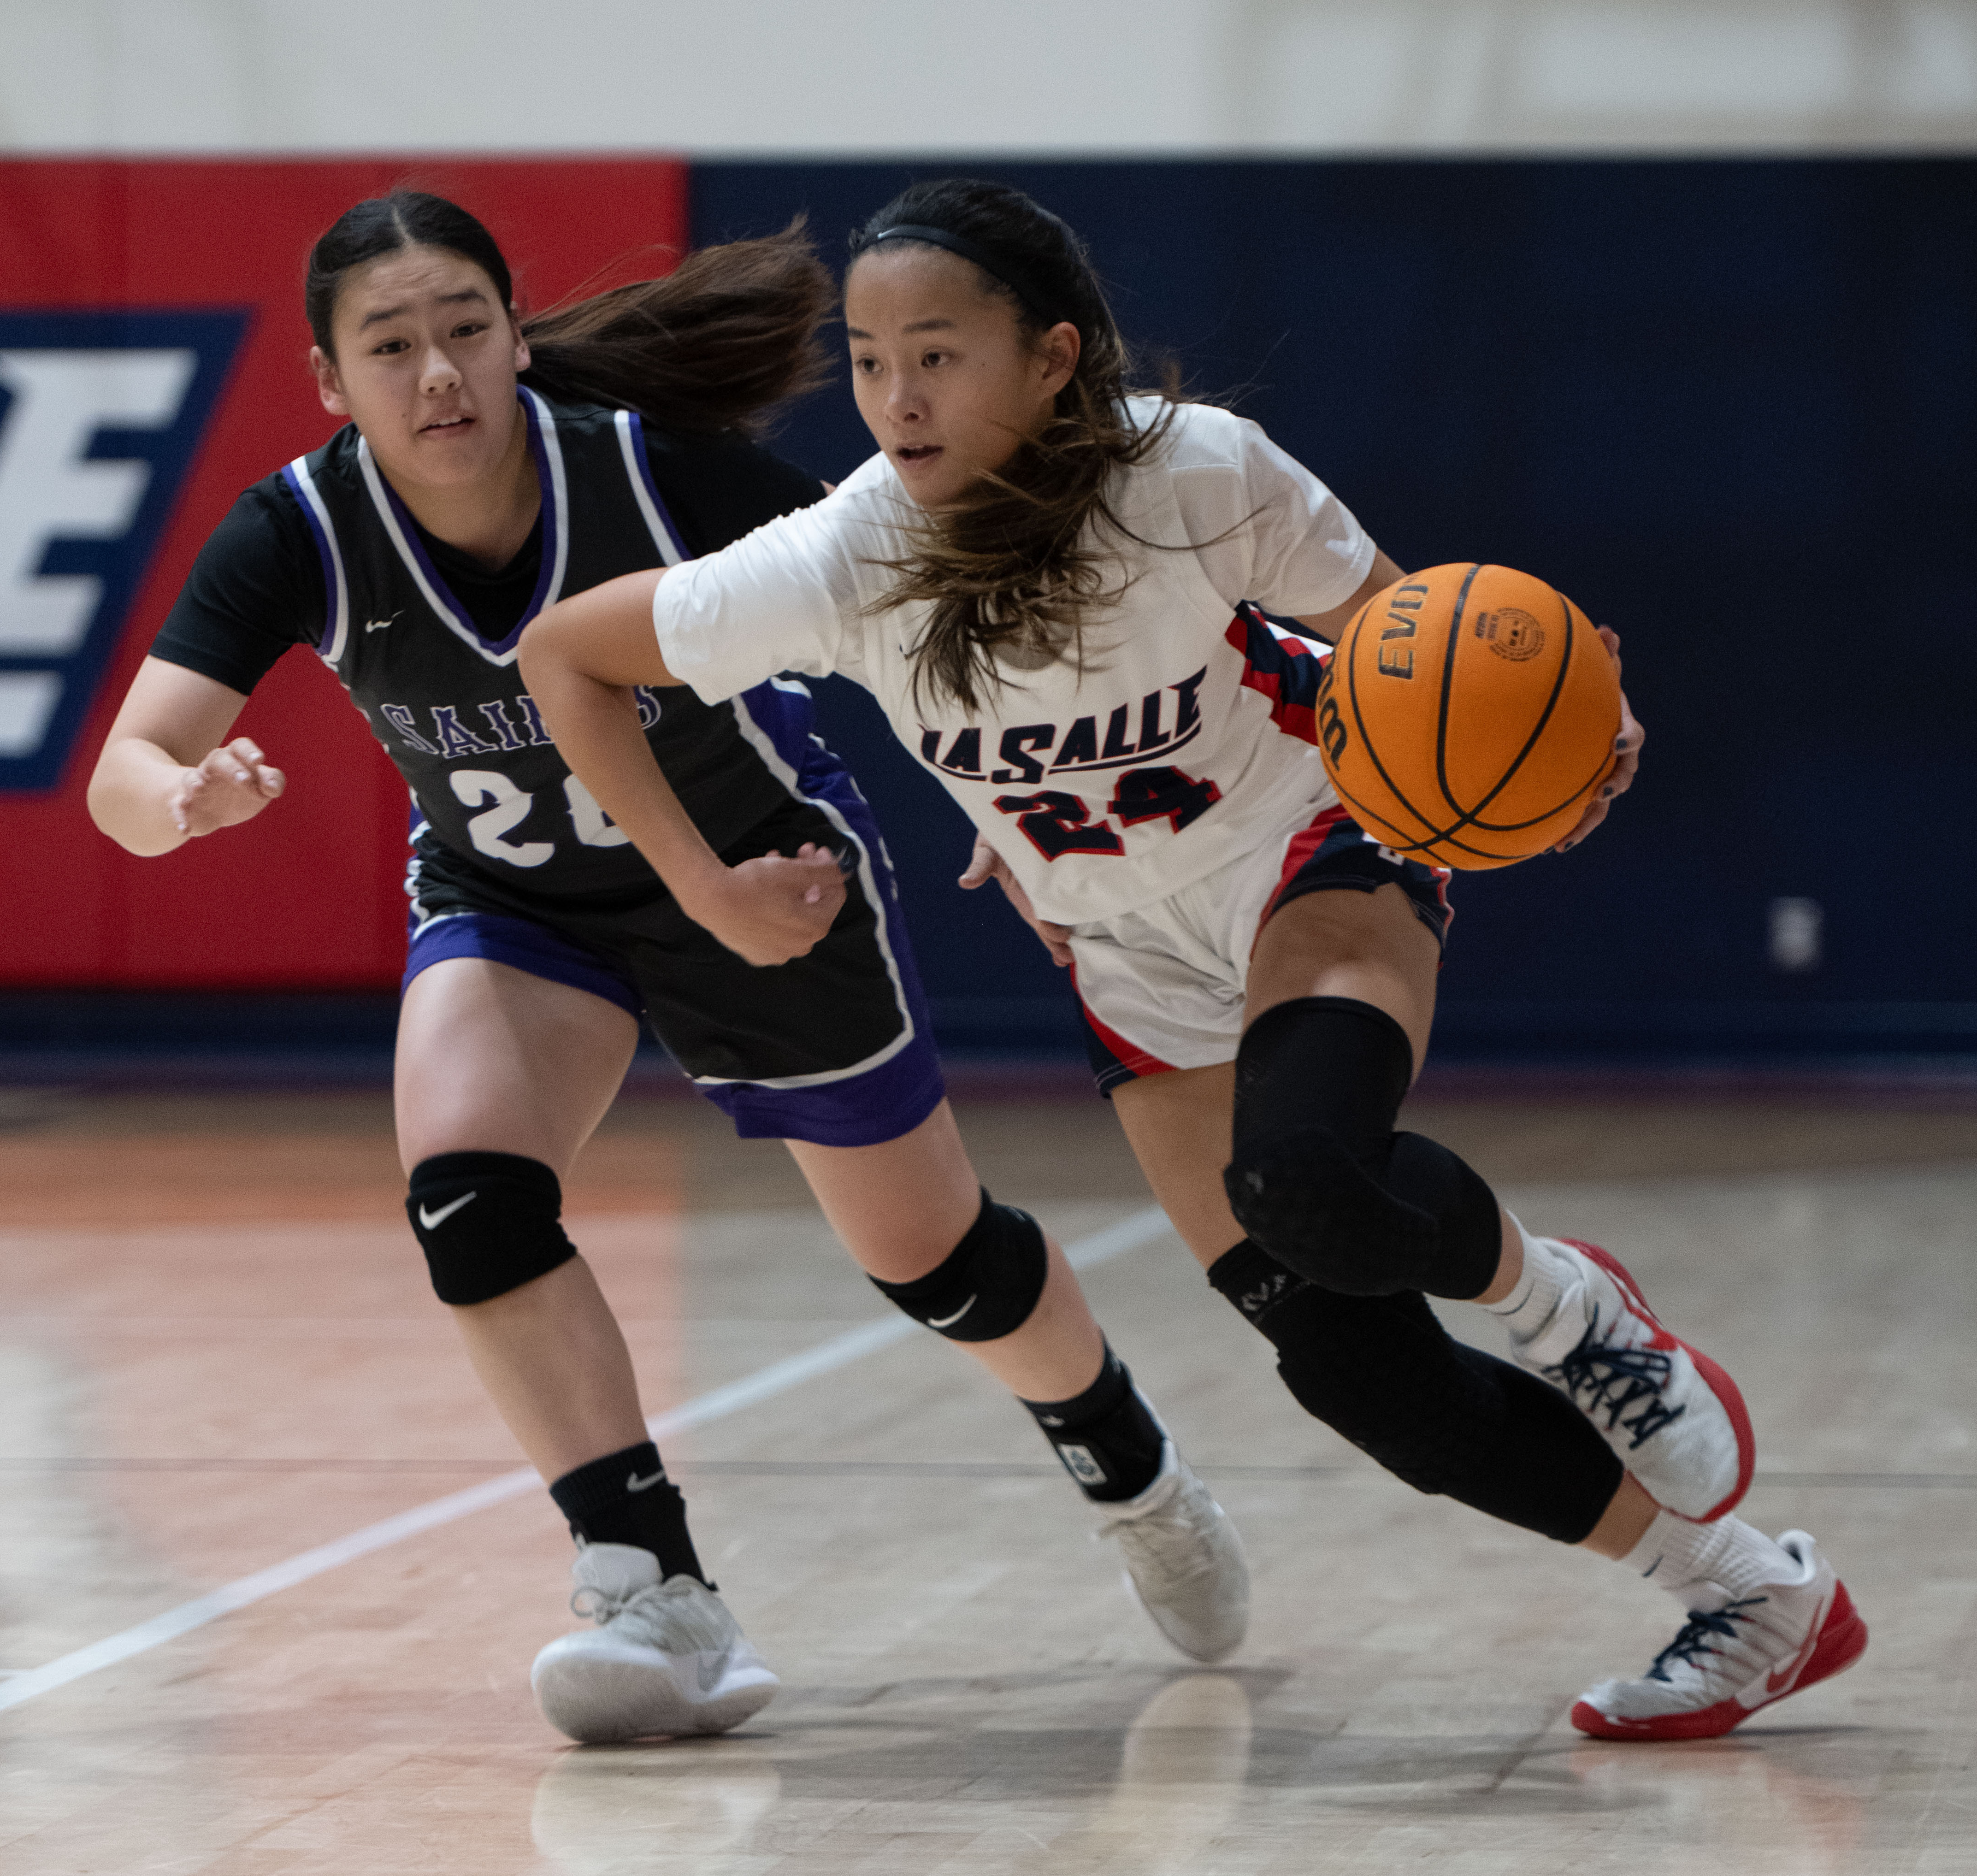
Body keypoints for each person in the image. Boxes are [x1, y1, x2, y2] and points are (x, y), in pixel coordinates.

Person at [518, 177, 1870, 1742]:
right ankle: (1752, 1594)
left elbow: (1407, 635)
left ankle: (1566, 1307)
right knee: (1351, 1369)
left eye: (939, 353)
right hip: (1130, 959)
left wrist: (1570, 730)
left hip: (1316, 851)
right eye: (874, 358)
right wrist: (704, 886)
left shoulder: (1198, 476)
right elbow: (568, 654)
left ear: (1052, 358)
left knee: (1310, 1176)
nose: (897, 395)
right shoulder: (844, 557)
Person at [85, 190, 1250, 1747]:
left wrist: (1017, 811)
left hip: (759, 883)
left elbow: (910, 613)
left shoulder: (650, 467)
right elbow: (127, 770)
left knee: (940, 1267)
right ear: (328, 380)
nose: (437, 376)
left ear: (512, 337)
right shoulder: (294, 530)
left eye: (464, 332)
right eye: (391, 348)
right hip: (519, 911)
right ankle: (650, 1585)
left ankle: (1125, 1460)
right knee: (469, 1201)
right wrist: (183, 798)